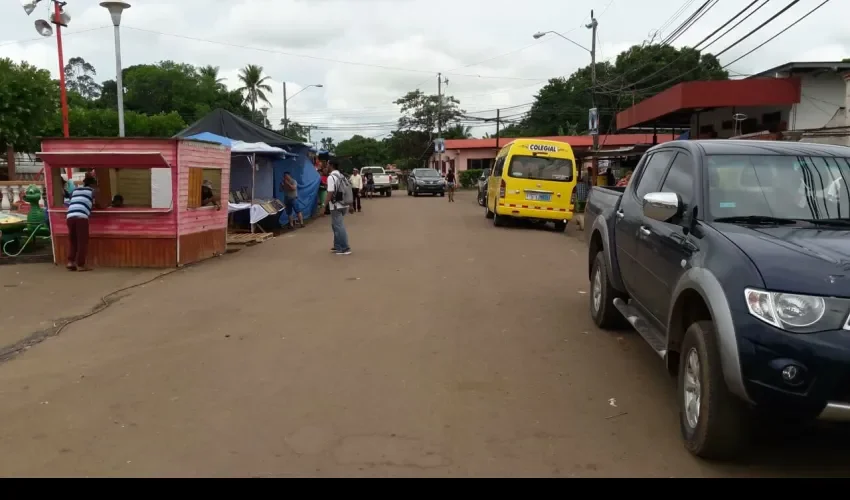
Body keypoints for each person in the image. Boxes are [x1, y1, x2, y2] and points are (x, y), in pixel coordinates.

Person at [66, 174, 97, 272]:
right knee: (82, 241)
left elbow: (71, 198)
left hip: (70, 216)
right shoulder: (93, 191)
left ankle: (71, 262)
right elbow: (101, 203)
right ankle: (81, 264)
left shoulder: (75, 190)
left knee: (73, 240)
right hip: (81, 217)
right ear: (93, 184)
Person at [326, 159, 351, 255]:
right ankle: (337, 246)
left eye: (328, 164)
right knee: (335, 225)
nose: (326, 166)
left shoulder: (331, 177)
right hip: (344, 204)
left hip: (336, 205)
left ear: (331, 165)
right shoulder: (342, 176)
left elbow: (330, 192)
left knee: (339, 226)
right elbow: (349, 189)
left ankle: (344, 248)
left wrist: (324, 205)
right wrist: (351, 205)